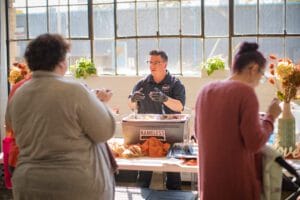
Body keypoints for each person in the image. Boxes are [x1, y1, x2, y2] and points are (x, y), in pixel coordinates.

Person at [5, 33, 116, 200]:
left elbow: (10, 126)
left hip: (29, 184)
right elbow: (105, 131)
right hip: (75, 185)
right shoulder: (74, 90)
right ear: (61, 62)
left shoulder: (19, 94)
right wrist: (102, 103)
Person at [194, 42, 282, 200]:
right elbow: (255, 143)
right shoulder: (245, 93)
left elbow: (198, 135)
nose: (259, 81)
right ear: (253, 68)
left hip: (209, 188)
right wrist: (271, 117)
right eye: (261, 75)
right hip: (236, 188)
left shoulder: (205, 91)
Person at [128, 49, 186, 190]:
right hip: (146, 133)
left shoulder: (175, 83)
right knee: (144, 175)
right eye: (150, 62)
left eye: (156, 62)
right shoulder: (142, 83)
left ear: (165, 64)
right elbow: (131, 106)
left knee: (173, 174)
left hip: (170, 134)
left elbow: (179, 106)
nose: (152, 65)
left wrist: (165, 99)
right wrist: (133, 99)